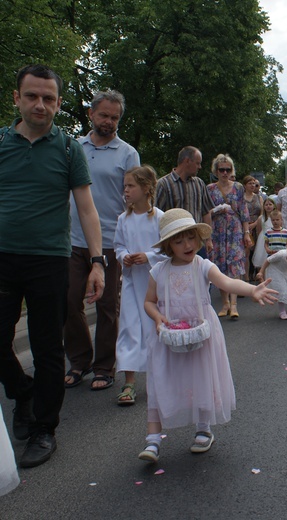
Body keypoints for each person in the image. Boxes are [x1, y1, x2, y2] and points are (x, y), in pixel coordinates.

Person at [0, 64, 105, 468]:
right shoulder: (2, 143)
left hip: (49, 260)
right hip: (3, 258)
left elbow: (86, 208)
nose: (40, 105)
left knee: (46, 348)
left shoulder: (68, 149)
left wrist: (97, 262)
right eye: (32, 96)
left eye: (48, 98)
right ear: (17, 99)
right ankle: (21, 390)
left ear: (59, 104)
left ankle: (44, 429)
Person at [139, 209, 276, 462]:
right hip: (168, 336)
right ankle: (153, 440)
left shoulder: (203, 266)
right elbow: (149, 302)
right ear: (168, 245)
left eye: (191, 238)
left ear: (198, 239)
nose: (187, 245)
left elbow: (227, 282)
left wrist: (252, 290)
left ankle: (203, 429)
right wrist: (157, 317)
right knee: (160, 382)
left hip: (201, 335)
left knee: (200, 378)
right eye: (178, 241)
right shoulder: (158, 271)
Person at [64, 89, 140, 391]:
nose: (109, 122)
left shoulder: (127, 153)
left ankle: (104, 366)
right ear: (91, 114)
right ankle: (79, 361)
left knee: (108, 305)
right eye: (104, 115)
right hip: (71, 239)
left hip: (110, 240)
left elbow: (134, 198)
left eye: (115, 117)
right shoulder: (72, 147)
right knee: (69, 302)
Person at [113, 165, 165, 406]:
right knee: (129, 329)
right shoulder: (123, 219)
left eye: (130, 186)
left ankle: (161, 379)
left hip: (155, 287)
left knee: (155, 330)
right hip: (133, 284)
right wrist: (123, 256)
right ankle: (129, 382)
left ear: (146, 189)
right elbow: (118, 245)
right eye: (125, 186)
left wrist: (148, 256)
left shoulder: (161, 218)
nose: (126, 190)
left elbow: (167, 250)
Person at [207, 154, 252, 320]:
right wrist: (217, 210)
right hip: (217, 230)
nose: (225, 173)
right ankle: (224, 302)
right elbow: (206, 211)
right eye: (221, 170)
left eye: (228, 169)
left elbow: (244, 212)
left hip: (234, 229)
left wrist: (247, 233)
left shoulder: (238, 187)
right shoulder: (210, 189)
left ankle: (234, 304)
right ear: (216, 171)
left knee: (235, 264)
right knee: (220, 266)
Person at [155, 146, 215, 257]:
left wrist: (208, 239)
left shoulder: (199, 184)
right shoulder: (163, 184)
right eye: (197, 163)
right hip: (174, 244)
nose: (200, 167)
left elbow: (206, 212)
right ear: (187, 161)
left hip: (197, 243)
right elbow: (156, 216)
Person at [242, 175, 264, 281]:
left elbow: (262, 213)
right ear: (245, 185)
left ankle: (256, 273)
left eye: (253, 183)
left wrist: (255, 224)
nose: (252, 185)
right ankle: (246, 276)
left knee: (256, 251)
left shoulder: (258, 197)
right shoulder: (241, 197)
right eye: (250, 183)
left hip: (256, 226)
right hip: (244, 226)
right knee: (246, 252)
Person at [252, 198, 277, 269]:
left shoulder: (276, 217)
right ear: (263, 206)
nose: (268, 206)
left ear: (274, 206)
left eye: (270, 204)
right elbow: (259, 230)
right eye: (266, 205)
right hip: (263, 239)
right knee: (262, 257)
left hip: (274, 238)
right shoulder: (261, 218)